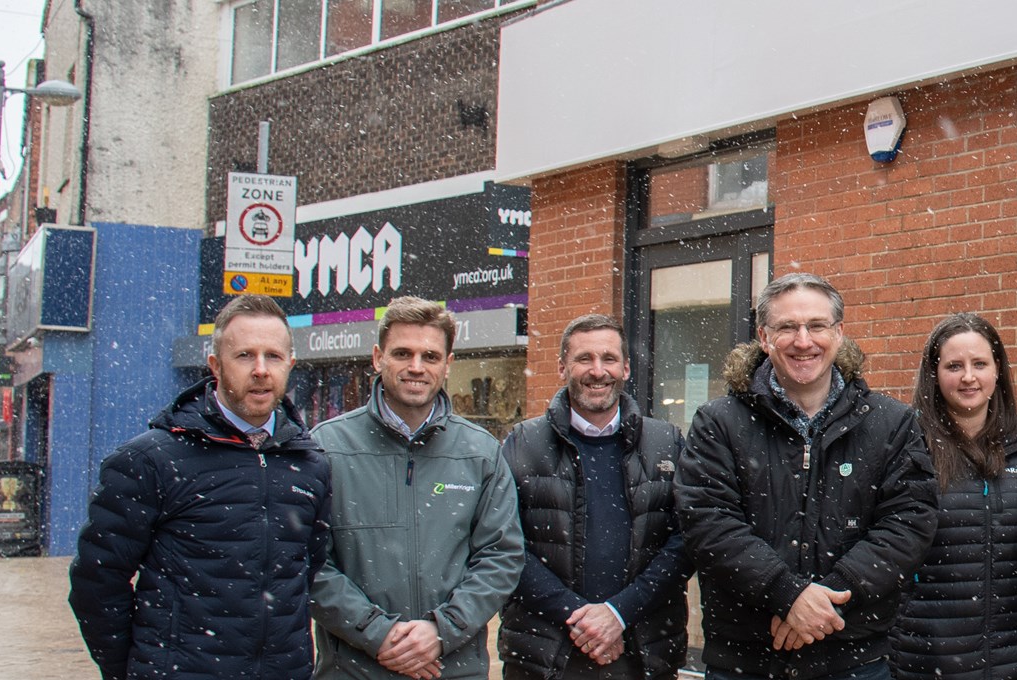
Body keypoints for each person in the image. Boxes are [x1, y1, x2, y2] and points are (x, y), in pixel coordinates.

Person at [675, 272, 938, 680]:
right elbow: (708, 523)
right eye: (787, 327)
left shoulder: (891, 422)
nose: (803, 341)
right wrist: (786, 594)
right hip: (745, 660)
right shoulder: (719, 423)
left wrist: (827, 602)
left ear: (839, 333)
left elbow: (909, 523)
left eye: (816, 326)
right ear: (764, 336)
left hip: (854, 657)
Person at [69, 294, 333, 680]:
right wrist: (132, 668)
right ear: (215, 365)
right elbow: (98, 581)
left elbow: (306, 570)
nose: (261, 370)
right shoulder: (151, 460)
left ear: (290, 364)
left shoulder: (310, 464)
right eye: (244, 356)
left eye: (273, 356)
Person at [311, 296, 526, 680]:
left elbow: (501, 557)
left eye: (430, 356)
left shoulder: (480, 453)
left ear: (448, 365)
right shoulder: (327, 447)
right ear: (378, 358)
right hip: (355, 670)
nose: (416, 367)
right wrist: (378, 634)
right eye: (402, 353)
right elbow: (310, 563)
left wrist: (440, 631)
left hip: (450, 669)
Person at [497, 314, 692, 679]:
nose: (597, 370)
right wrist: (580, 617)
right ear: (562, 367)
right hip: (544, 655)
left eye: (609, 359)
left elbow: (687, 540)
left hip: (643, 653)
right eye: (584, 359)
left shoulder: (666, 442)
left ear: (627, 368)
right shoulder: (523, 444)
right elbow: (504, 544)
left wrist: (619, 613)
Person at [890, 313, 1017, 680]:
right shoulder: (907, 451)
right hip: (925, 660)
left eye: (979, 363)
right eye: (954, 365)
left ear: (998, 371)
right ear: (934, 375)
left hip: (1016, 658)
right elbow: (890, 552)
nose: (968, 377)